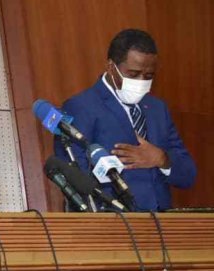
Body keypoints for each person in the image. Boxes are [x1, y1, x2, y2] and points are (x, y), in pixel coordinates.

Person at [56, 29, 196, 211]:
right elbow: (72, 175)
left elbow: (188, 175)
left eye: (149, 76)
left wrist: (162, 159)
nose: (141, 81)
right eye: (133, 74)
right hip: (112, 225)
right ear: (111, 67)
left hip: (162, 225)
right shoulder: (81, 106)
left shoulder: (158, 109)